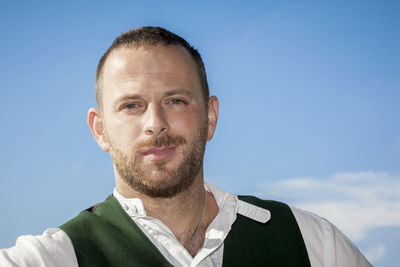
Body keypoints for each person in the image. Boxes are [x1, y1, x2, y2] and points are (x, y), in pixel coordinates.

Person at [0, 26, 371, 267]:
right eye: (131, 106)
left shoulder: (313, 244)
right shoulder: (54, 258)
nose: (155, 123)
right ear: (100, 131)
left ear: (210, 117)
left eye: (176, 100)